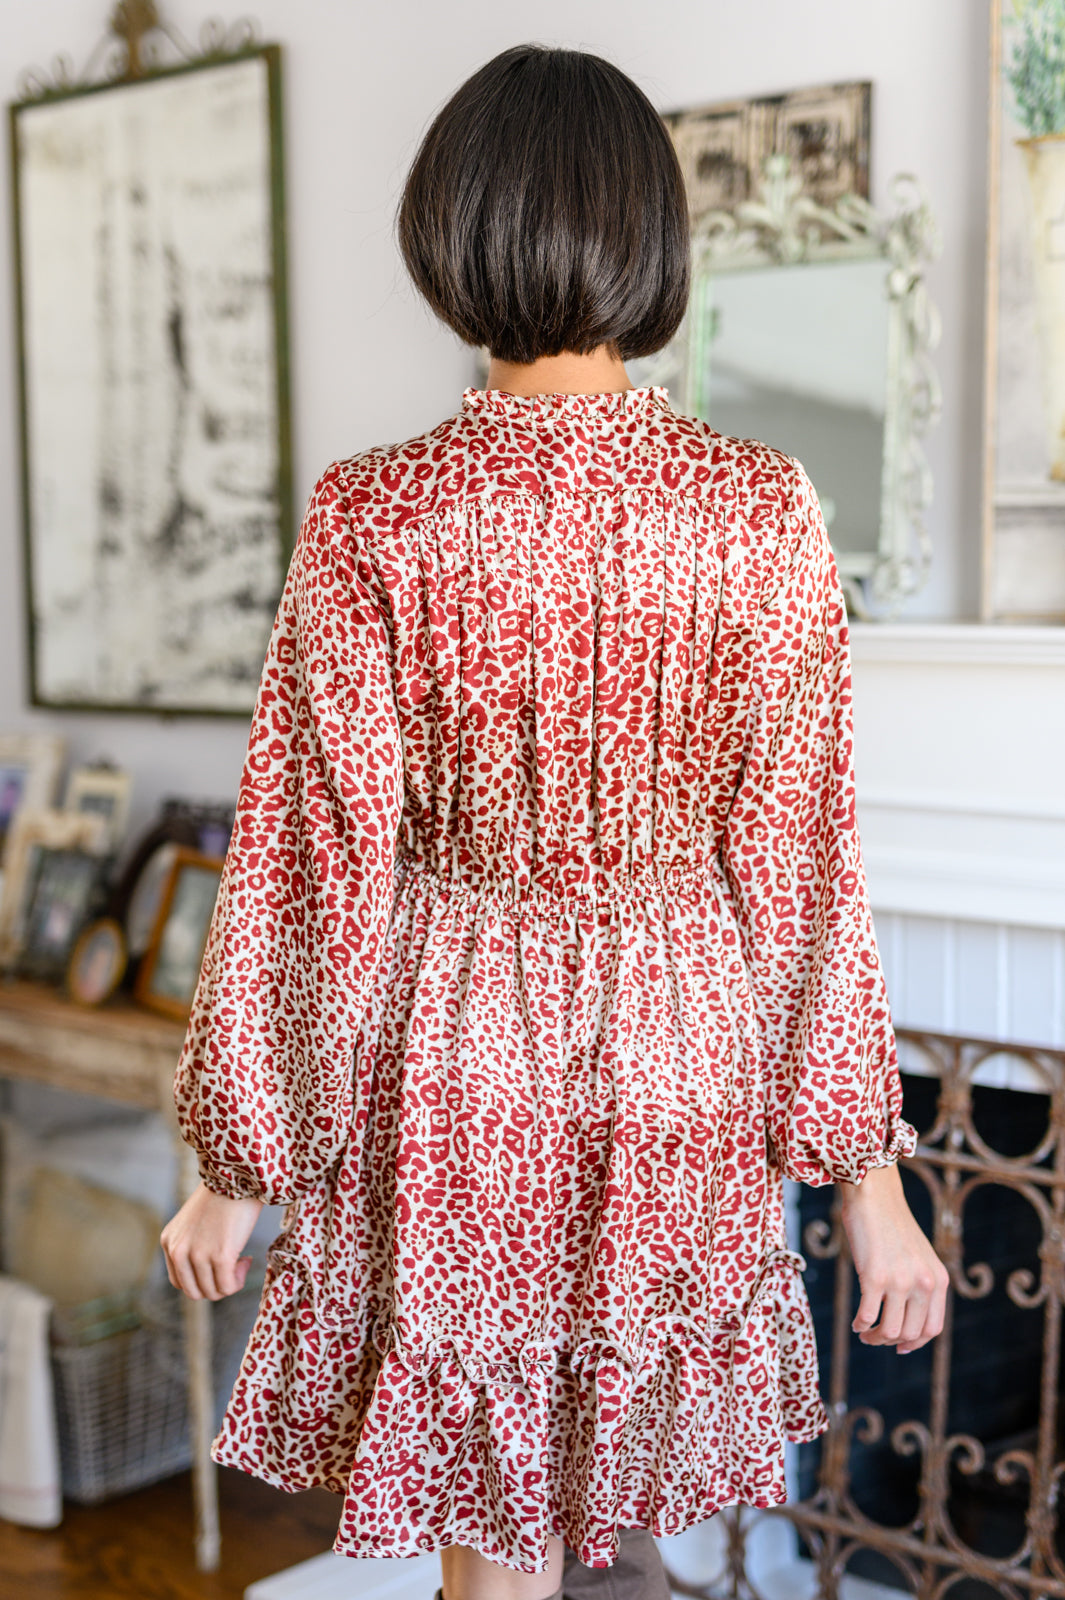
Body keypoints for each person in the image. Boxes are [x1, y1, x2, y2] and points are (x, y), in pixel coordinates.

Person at [160, 41, 950, 1600]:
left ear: (447, 234)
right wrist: (870, 1187)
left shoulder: (377, 508)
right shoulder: (759, 505)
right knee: (621, 1505)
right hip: (679, 1045)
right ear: (647, 236)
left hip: (454, 1053)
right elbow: (801, 864)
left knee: (494, 1535)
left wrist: (235, 1162)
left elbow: (316, 866)